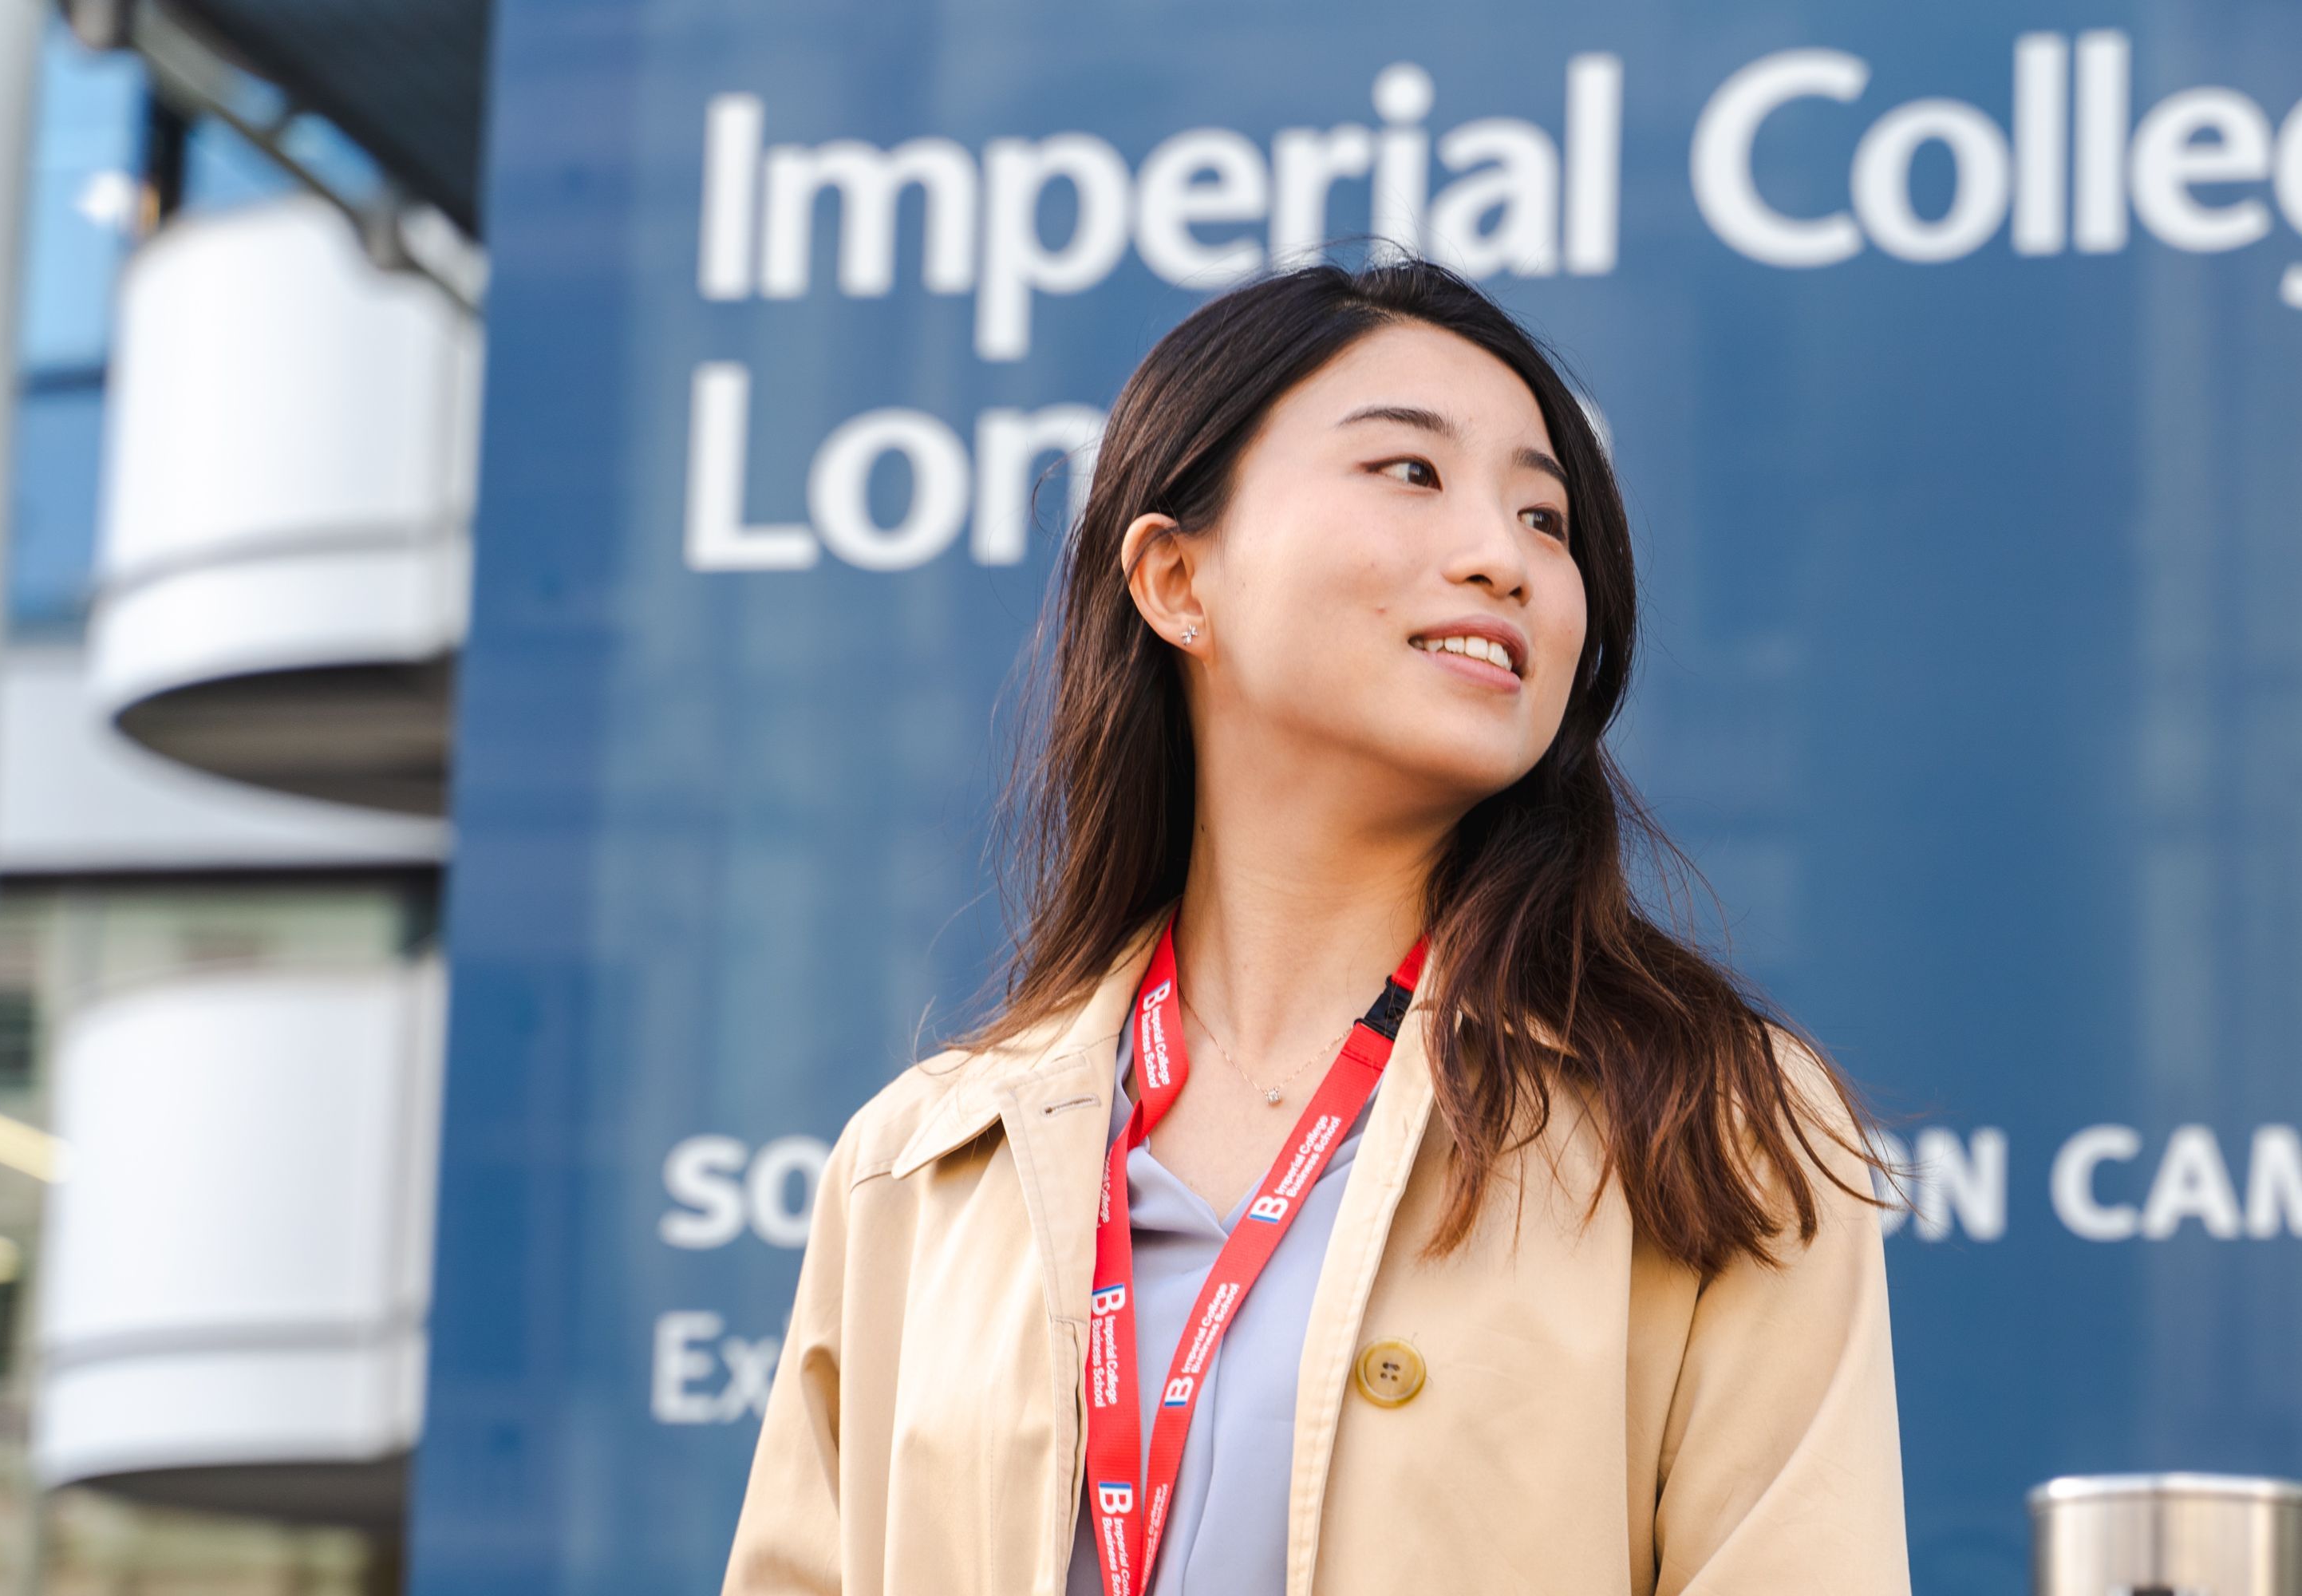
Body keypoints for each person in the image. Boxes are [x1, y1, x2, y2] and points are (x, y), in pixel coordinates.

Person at [721, 254, 1912, 1595]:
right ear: (1176, 580)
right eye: (1411, 472)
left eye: (1546, 518)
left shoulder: (1717, 1124)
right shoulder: (915, 1172)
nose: (1501, 558)